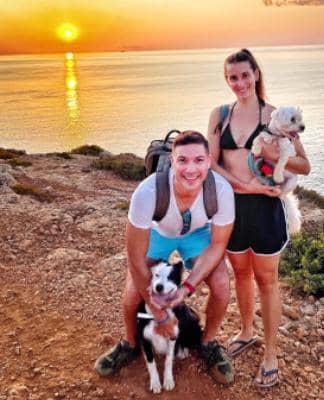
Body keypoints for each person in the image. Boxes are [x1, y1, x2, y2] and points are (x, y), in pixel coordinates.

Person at [94, 130, 235, 385]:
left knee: (222, 285)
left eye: (198, 160)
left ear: (209, 161)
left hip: (197, 233)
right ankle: (130, 343)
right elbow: (135, 260)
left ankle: (207, 344)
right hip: (159, 233)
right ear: (172, 161)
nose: (190, 169)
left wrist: (187, 288)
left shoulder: (221, 190)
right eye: (182, 160)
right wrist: (159, 314)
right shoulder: (147, 192)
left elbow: (217, 246)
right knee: (132, 292)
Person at [207, 49, 311, 388]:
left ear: (256, 74)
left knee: (267, 280)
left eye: (244, 75)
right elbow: (212, 162)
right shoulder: (219, 115)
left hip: (266, 209)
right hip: (231, 208)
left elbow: (305, 166)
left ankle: (270, 353)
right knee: (240, 273)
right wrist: (243, 187)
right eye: (232, 77)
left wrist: (270, 154)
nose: (239, 83)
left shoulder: (276, 116)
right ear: (227, 80)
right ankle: (246, 331)